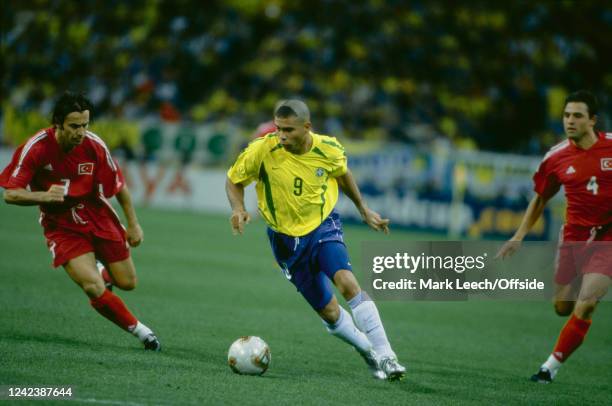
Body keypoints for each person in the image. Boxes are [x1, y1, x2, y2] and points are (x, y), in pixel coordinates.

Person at [225, 99, 406, 380]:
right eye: (278, 128)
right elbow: (233, 180)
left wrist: (363, 209)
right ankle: (367, 351)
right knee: (330, 312)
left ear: (307, 127)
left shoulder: (329, 148)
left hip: (323, 226)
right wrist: (238, 208)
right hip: (285, 241)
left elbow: (343, 175)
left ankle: (387, 355)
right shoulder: (263, 150)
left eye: (288, 130)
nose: (282, 135)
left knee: (347, 282)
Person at [0, 91, 161, 351]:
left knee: (127, 283)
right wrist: (43, 196)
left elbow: (119, 187)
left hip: (97, 214)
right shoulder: (36, 148)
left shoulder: (95, 145)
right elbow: (10, 193)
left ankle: (99, 268)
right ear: (58, 124)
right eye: (74, 126)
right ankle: (143, 333)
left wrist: (134, 224)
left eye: (85, 125)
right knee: (93, 287)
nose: (81, 132)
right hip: (61, 225)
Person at [497, 90, 611, 383]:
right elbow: (539, 198)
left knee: (587, 304)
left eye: (577, 116)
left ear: (592, 120)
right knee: (563, 307)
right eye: (566, 115)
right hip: (573, 237)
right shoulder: (556, 157)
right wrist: (519, 236)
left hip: (607, 240)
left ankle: (548, 368)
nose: (570, 121)